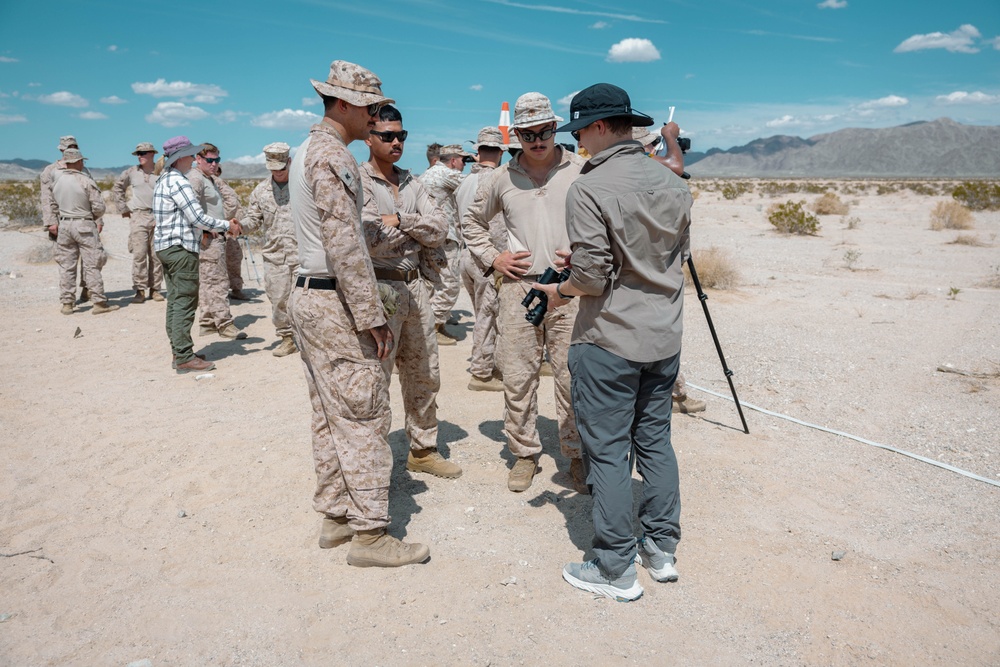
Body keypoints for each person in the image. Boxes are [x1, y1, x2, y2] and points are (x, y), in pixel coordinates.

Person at [534, 83, 692, 601]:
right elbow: (668, 257)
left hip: (609, 341)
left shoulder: (590, 186)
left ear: (600, 127)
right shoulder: (672, 179)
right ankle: (661, 548)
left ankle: (613, 567)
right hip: (663, 337)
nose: (576, 141)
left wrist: (558, 289)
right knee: (655, 443)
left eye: (579, 131)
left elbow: (593, 279)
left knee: (607, 452)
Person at [288, 59, 429, 568]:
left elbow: (345, 229)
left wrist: (387, 235)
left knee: (330, 411)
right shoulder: (335, 157)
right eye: (368, 106)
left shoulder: (308, 149)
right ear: (343, 103)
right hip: (336, 300)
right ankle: (370, 533)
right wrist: (370, 314)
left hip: (310, 292)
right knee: (365, 413)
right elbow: (342, 241)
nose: (374, 117)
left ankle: (335, 514)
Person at [463, 92, 586, 494]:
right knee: (518, 376)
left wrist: (586, 257)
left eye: (545, 131)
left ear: (556, 129)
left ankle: (578, 455)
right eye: (528, 133)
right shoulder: (500, 179)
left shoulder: (580, 170)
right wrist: (494, 258)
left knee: (573, 377)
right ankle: (524, 453)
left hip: (570, 290)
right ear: (515, 134)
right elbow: (471, 222)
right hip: (520, 289)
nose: (537, 140)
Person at [360, 104, 461, 479]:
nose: (396, 141)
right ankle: (371, 463)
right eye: (387, 135)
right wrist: (413, 228)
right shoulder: (359, 181)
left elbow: (440, 228)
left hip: (415, 287)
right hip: (378, 289)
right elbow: (369, 235)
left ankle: (422, 448)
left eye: (401, 135)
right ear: (369, 137)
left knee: (424, 372)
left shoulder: (412, 182)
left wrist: (401, 219)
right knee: (375, 379)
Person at [630, 127, 707, 415]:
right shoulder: (646, 168)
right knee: (660, 335)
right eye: (652, 145)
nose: (655, 149)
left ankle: (673, 392)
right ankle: (668, 394)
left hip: (644, 269)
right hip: (654, 269)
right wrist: (671, 139)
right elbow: (676, 167)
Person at [152, 136, 241, 373]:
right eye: (191, 155)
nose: (193, 159)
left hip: (165, 247)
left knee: (175, 300)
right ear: (180, 157)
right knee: (185, 302)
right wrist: (226, 225)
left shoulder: (164, 179)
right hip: (180, 249)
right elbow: (198, 218)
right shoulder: (179, 182)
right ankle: (183, 357)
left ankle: (180, 349)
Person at [456, 127, 507, 392]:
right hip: (486, 257)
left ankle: (485, 361)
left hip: (466, 254)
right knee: (488, 315)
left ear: (478, 152)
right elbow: (496, 228)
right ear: (500, 152)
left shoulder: (464, 181)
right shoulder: (498, 179)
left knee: (482, 314)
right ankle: (482, 371)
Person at [239, 142, 299, 357]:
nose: (278, 173)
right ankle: (287, 337)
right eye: (273, 169)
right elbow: (253, 220)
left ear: (289, 162)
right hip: (276, 257)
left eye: (281, 168)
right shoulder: (261, 191)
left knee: (308, 300)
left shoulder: (303, 187)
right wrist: (240, 226)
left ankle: (310, 339)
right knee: (279, 299)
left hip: (304, 256)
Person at [187, 143, 247, 340]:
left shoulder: (208, 178)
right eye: (209, 160)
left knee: (207, 281)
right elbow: (191, 208)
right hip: (208, 238)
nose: (214, 164)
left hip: (213, 236)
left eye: (216, 160)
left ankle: (207, 322)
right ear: (198, 159)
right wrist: (206, 227)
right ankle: (224, 323)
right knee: (218, 282)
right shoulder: (196, 179)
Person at [50, 148, 118, 316]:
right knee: (92, 264)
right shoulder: (85, 180)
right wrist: (89, 215)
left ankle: (67, 303)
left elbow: (52, 204)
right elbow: (99, 207)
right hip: (84, 225)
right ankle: (98, 302)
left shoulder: (57, 180)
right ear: (79, 161)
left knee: (67, 265)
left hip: (64, 225)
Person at [420, 143, 470, 346]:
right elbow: (476, 184)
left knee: (432, 285)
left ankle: (432, 326)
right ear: (453, 160)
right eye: (463, 160)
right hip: (445, 238)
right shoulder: (445, 174)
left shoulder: (426, 174)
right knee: (449, 285)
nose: (464, 164)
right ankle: (432, 327)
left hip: (428, 235)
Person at [40, 135, 99, 302]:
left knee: (90, 258)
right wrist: (51, 221)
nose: (71, 148)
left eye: (73, 145)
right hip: (62, 219)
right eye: (67, 146)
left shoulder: (84, 169)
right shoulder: (50, 171)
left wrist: (98, 220)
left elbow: (93, 195)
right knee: (67, 261)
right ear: (61, 149)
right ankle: (68, 298)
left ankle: (88, 289)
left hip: (85, 219)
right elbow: (46, 198)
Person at [112, 142, 165, 304]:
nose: (141, 156)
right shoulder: (132, 172)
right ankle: (140, 290)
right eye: (138, 153)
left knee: (157, 256)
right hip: (139, 216)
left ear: (152, 154)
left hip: (158, 217)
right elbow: (117, 187)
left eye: (144, 153)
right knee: (139, 254)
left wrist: (164, 215)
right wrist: (123, 208)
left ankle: (155, 289)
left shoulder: (161, 172)